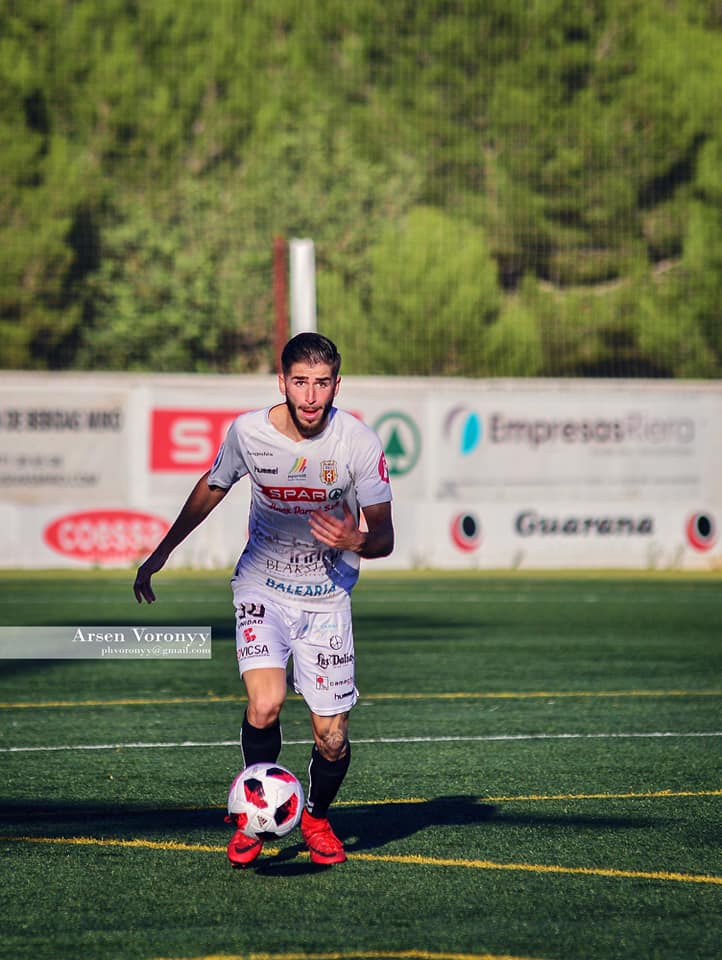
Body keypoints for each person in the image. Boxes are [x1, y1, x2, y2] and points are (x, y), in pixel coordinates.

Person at [133, 332, 394, 867]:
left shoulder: (358, 443)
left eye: (322, 383)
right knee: (266, 702)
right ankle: (253, 814)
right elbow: (212, 486)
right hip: (262, 587)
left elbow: (385, 538)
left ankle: (315, 817)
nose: (311, 396)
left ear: (337, 385)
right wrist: (162, 551)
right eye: (300, 382)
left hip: (328, 600)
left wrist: (356, 539)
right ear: (282, 382)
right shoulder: (248, 433)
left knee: (332, 738)